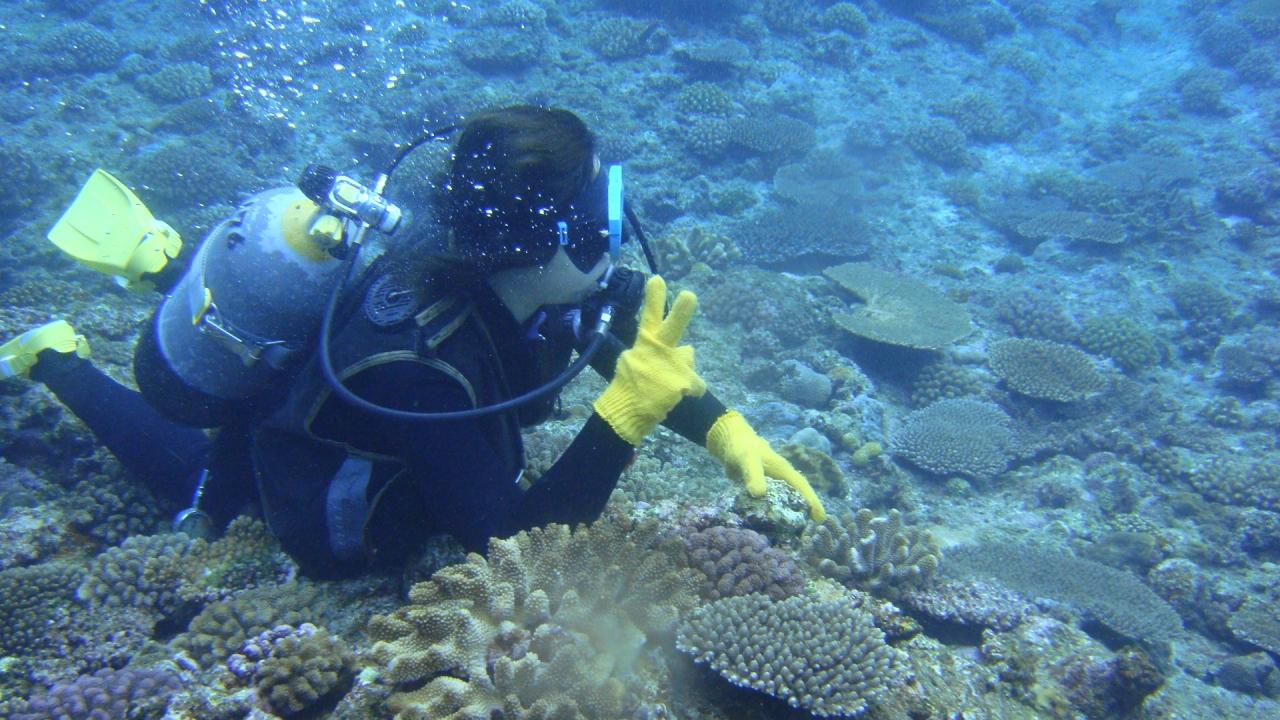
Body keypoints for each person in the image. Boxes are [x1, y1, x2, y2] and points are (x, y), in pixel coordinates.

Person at [0, 106, 825, 577]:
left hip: (331, 369)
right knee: (206, 480)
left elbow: (605, 330)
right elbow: (513, 541)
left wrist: (721, 426)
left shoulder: (477, 249)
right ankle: (54, 357)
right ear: (537, 247)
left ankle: (168, 269)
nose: (612, 247)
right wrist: (621, 421)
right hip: (319, 493)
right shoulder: (418, 371)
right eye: (596, 225)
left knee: (280, 372)